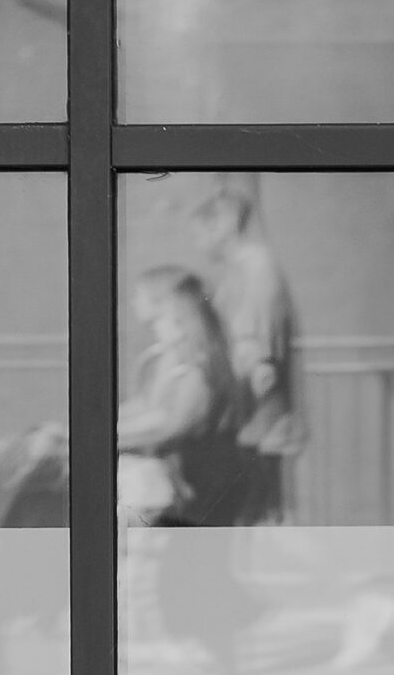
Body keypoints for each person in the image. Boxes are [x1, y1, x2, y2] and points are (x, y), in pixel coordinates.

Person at [190, 175, 306, 524]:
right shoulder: (236, 270)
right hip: (243, 415)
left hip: (258, 415)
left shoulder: (257, 266)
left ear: (224, 224)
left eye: (199, 232)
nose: (197, 244)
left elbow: (256, 346)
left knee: (256, 514)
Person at [117, 267, 247, 526]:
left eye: (161, 320)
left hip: (202, 484)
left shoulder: (199, 367)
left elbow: (172, 426)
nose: (157, 329)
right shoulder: (177, 357)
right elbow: (154, 408)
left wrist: (113, 438)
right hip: (189, 478)